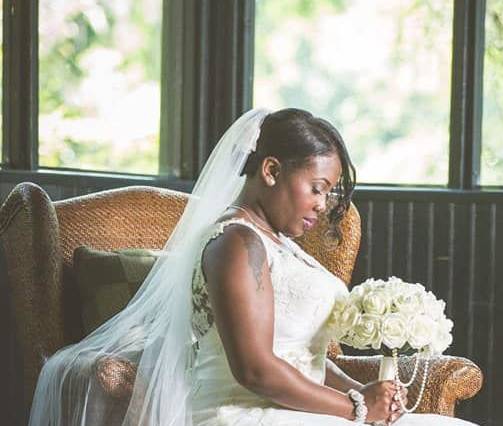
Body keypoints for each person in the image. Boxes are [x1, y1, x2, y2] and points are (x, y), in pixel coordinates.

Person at [29, 108, 478, 426]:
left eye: (329, 193)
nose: (324, 206)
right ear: (270, 170)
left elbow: (305, 355)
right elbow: (255, 370)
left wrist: (359, 392)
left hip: (290, 407)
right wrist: (356, 408)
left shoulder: (278, 244)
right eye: (317, 188)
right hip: (242, 412)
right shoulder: (236, 245)